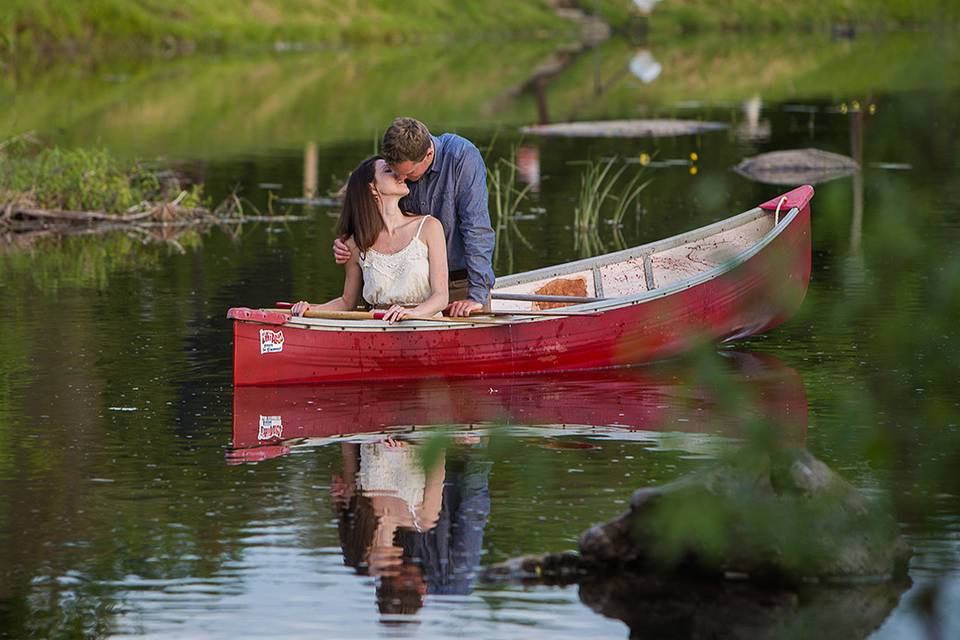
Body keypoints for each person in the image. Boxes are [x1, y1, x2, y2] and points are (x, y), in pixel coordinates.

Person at [333, 117, 495, 317]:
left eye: (408, 174)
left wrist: (477, 296)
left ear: (428, 154)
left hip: (462, 285)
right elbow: (370, 202)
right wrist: (349, 238)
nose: (401, 178)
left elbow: (476, 229)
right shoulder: (399, 164)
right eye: (394, 172)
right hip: (413, 288)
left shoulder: (461, 157)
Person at [291, 155, 448, 323]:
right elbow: (347, 302)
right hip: (376, 331)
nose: (401, 175)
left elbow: (441, 297)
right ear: (372, 188)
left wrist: (413, 314)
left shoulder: (429, 227)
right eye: (389, 171)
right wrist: (311, 310)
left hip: (426, 327)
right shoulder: (356, 243)